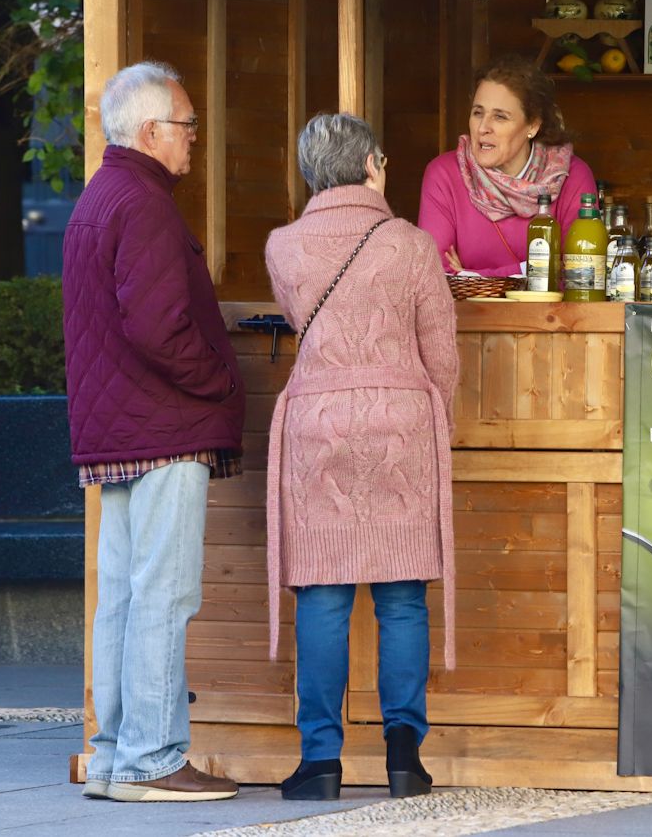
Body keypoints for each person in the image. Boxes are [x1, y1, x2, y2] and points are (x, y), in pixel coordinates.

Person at [62, 61, 245, 803]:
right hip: (165, 424)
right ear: (150, 131)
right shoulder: (144, 204)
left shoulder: (98, 197)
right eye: (187, 124)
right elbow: (158, 328)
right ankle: (154, 759)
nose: (195, 137)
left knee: (125, 599)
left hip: (116, 430)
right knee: (163, 596)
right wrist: (219, 382)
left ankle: (112, 756)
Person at [264, 112, 459, 802]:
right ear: (374, 163)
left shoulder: (283, 246)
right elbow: (442, 352)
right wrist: (436, 419)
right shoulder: (412, 245)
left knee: (322, 595)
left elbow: (300, 322)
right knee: (403, 597)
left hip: (317, 423)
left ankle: (321, 762)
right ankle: (404, 756)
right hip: (401, 421)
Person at [418, 57, 597, 276]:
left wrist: (474, 277)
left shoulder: (572, 176)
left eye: (500, 117)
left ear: (533, 125)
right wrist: (533, 270)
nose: (483, 127)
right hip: (463, 312)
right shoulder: (444, 173)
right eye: (478, 113)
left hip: (550, 312)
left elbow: (580, 273)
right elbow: (434, 275)